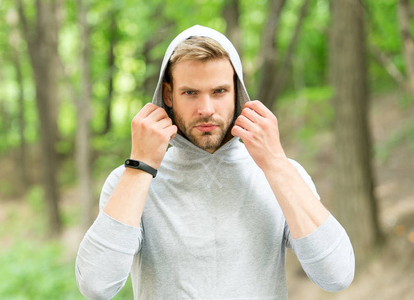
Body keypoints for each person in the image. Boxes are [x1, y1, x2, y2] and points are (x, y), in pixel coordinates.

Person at [76, 25, 355, 299]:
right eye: (190, 93)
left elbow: (337, 275)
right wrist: (141, 166)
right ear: (169, 95)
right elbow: (96, 286)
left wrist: (276, 163)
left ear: (237, 92)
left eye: (219, 91)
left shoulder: (280, 174)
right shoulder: (131, 180)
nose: (206, 109)